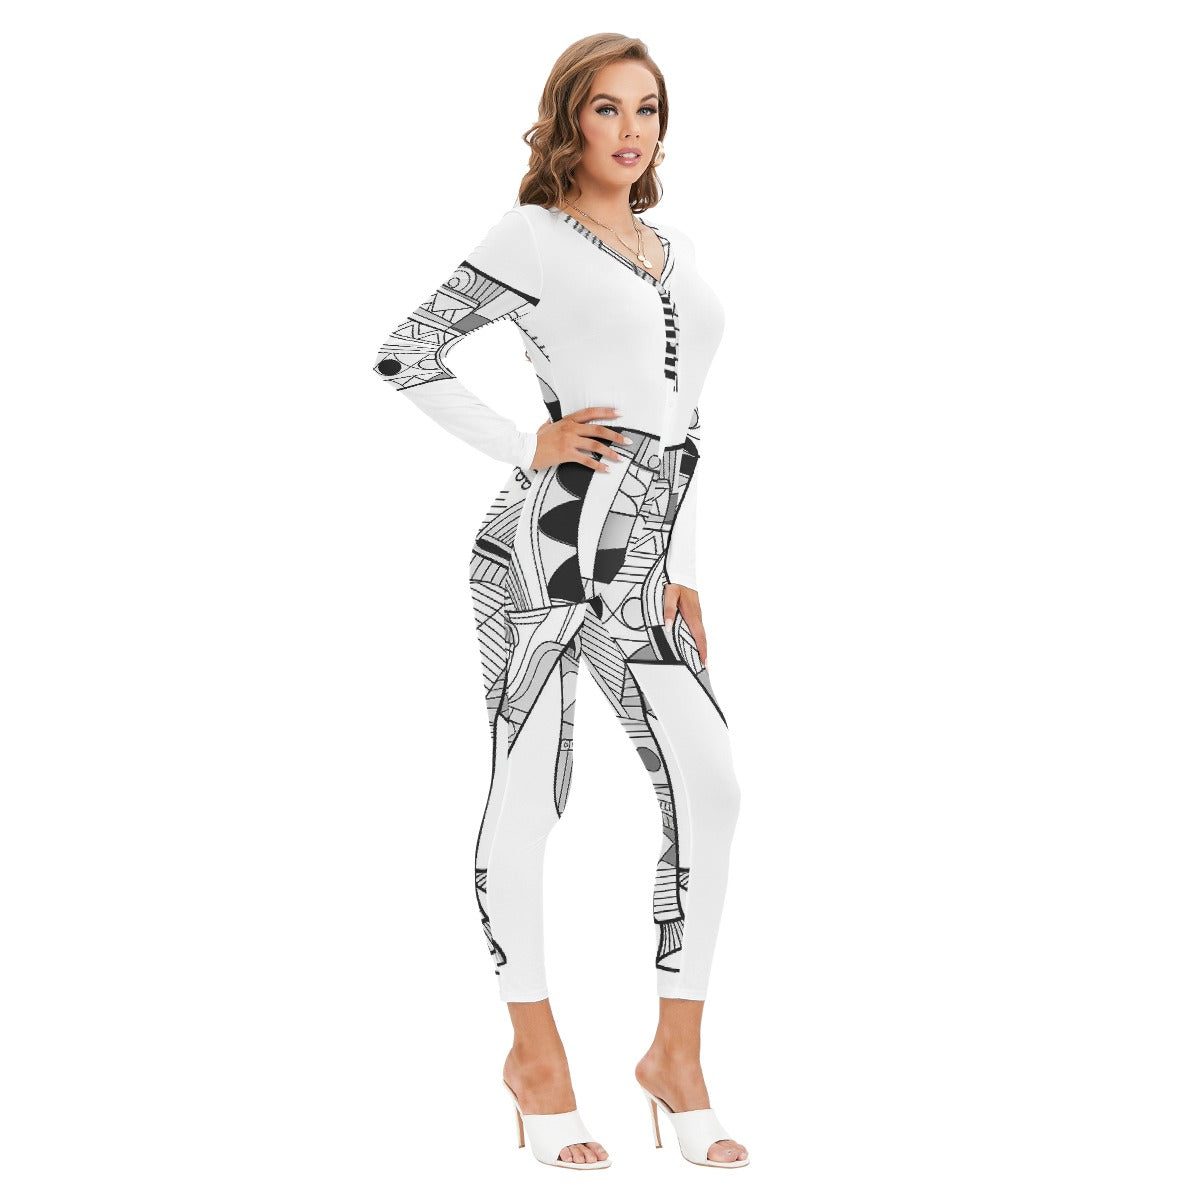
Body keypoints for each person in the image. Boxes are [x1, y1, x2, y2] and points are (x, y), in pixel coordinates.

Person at [371, 34, 749, 1170]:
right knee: (535, 787)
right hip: (540, 552)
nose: (631, 131)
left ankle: (675, 1056)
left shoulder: (675, 251)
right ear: (568, 121)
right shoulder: (531, 235)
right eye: (606, 109)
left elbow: (680, 425)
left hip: (645, 563)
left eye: (648, 109)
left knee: (713, 786)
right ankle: (534, 1054)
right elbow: (406, 353)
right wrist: (523, 442)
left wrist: (682, 565)